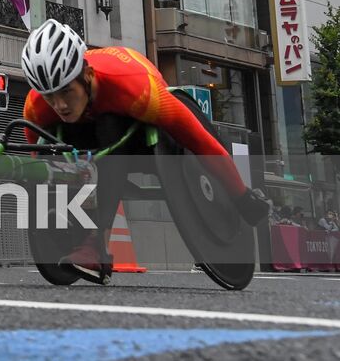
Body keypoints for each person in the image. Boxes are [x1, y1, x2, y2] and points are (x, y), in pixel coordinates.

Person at [19, 19, 270, 280]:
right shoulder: (37, 105)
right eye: (50, 96)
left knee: (110, 124)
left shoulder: (137, 90)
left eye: (66, 92)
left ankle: (97, 245)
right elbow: (38, 163)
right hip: (85, 129)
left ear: (88, 75)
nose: (59, 104)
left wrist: (241, 196)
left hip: (139, 132)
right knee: (57, 135)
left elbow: (202, 143)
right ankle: (85, 238)